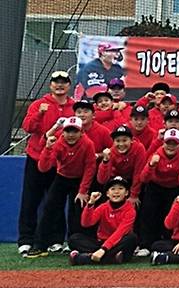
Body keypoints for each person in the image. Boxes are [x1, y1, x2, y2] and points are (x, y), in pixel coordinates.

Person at [18, 71, 75, 256]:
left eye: (64, 82)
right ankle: (26, 240)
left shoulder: (74, 106)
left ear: (69, 85)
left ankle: (55, 240)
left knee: (56, 201)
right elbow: (27, 127)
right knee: (30, 200)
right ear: (50, 85)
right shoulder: (39, 104)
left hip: (60, 162)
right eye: (56, 82)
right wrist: (40, 114)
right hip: (36, 157)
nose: (60, 85)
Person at [25, 117, 97, 258]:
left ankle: (77, 246)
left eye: (75, 131)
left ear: (81, 132)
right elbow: (43, 168)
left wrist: (83, 190)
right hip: (62, 177)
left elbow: (90, 167)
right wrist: (47, 149)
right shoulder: (58, 143)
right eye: (68, 131)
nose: (71, 135)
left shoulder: (88, 144)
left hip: (79, 179)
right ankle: (40, 245)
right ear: (63, 132)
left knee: (77, 211)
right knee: (49, 209)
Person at [138, 128, 179, 256]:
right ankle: (146, 245)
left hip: (175, 187)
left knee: (171, 215)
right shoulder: (156, 154)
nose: (171, 146)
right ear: (163, 143)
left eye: (175, 143)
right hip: (156, 186)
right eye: (168, 143)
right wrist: (151, 165)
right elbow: (143, 178)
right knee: (149, 213)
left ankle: (166, 245)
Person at [68, 176, 138, 265]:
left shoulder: (130, 210)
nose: (116, 192)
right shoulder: (103, 207)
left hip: (118, 243)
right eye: (113, 189)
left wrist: (103, 249)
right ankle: (112, 259)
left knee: (131, 238)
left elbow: (120, 232)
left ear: (126, 193)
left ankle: (84, 258)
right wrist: (90, 203)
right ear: (107, 193)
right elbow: (86, 223)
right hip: (102, 243)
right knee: (74, 239)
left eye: (120, 188)